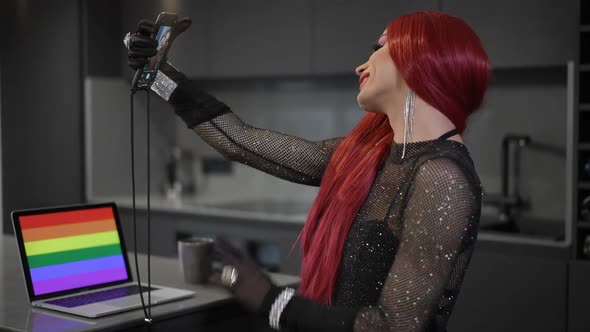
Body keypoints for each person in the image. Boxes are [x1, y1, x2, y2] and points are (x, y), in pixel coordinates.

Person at [127, 10, 490, 331]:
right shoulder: (369, 155)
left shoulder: (442, 178)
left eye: (379, 48)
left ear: (421, 57)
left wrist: (271, 300)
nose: (362, 65)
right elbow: (238, 140)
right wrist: (160, 74)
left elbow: (393, 327)